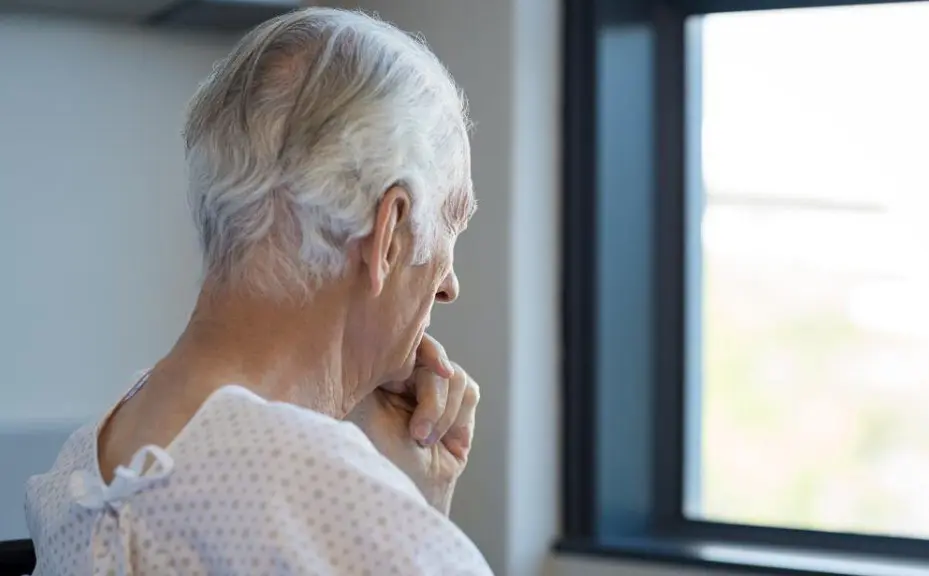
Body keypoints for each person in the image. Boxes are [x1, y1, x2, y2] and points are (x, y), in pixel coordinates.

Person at [24, 7, 492, 575]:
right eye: (450, 221)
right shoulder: (341, 513)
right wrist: (407, 515)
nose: (449, 285)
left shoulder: (70, 477)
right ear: (388, 233)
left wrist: (402, 492)